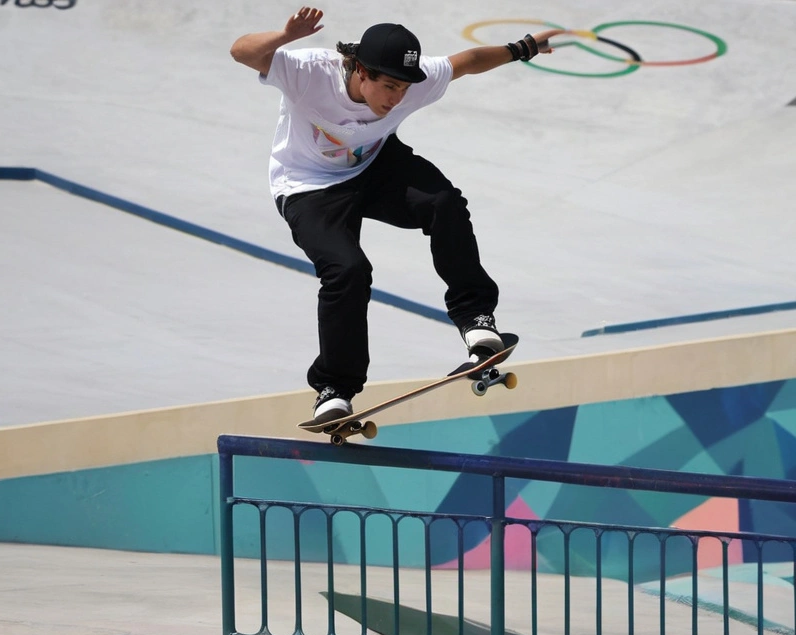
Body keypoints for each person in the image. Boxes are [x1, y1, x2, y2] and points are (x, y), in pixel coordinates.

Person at [230, 7, 555, 423]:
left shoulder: (412, 84)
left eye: (403, 89)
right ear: (360, 70)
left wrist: (522, 48)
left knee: (444, 203)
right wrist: (283, 35)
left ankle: (475, 317)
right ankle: (334, 388)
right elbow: (241, 52)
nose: (396, 99)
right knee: (347, 271)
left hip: (376, 166)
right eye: (388, 87)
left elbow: (467, 63)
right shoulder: (310, 72)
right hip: (307, 185)